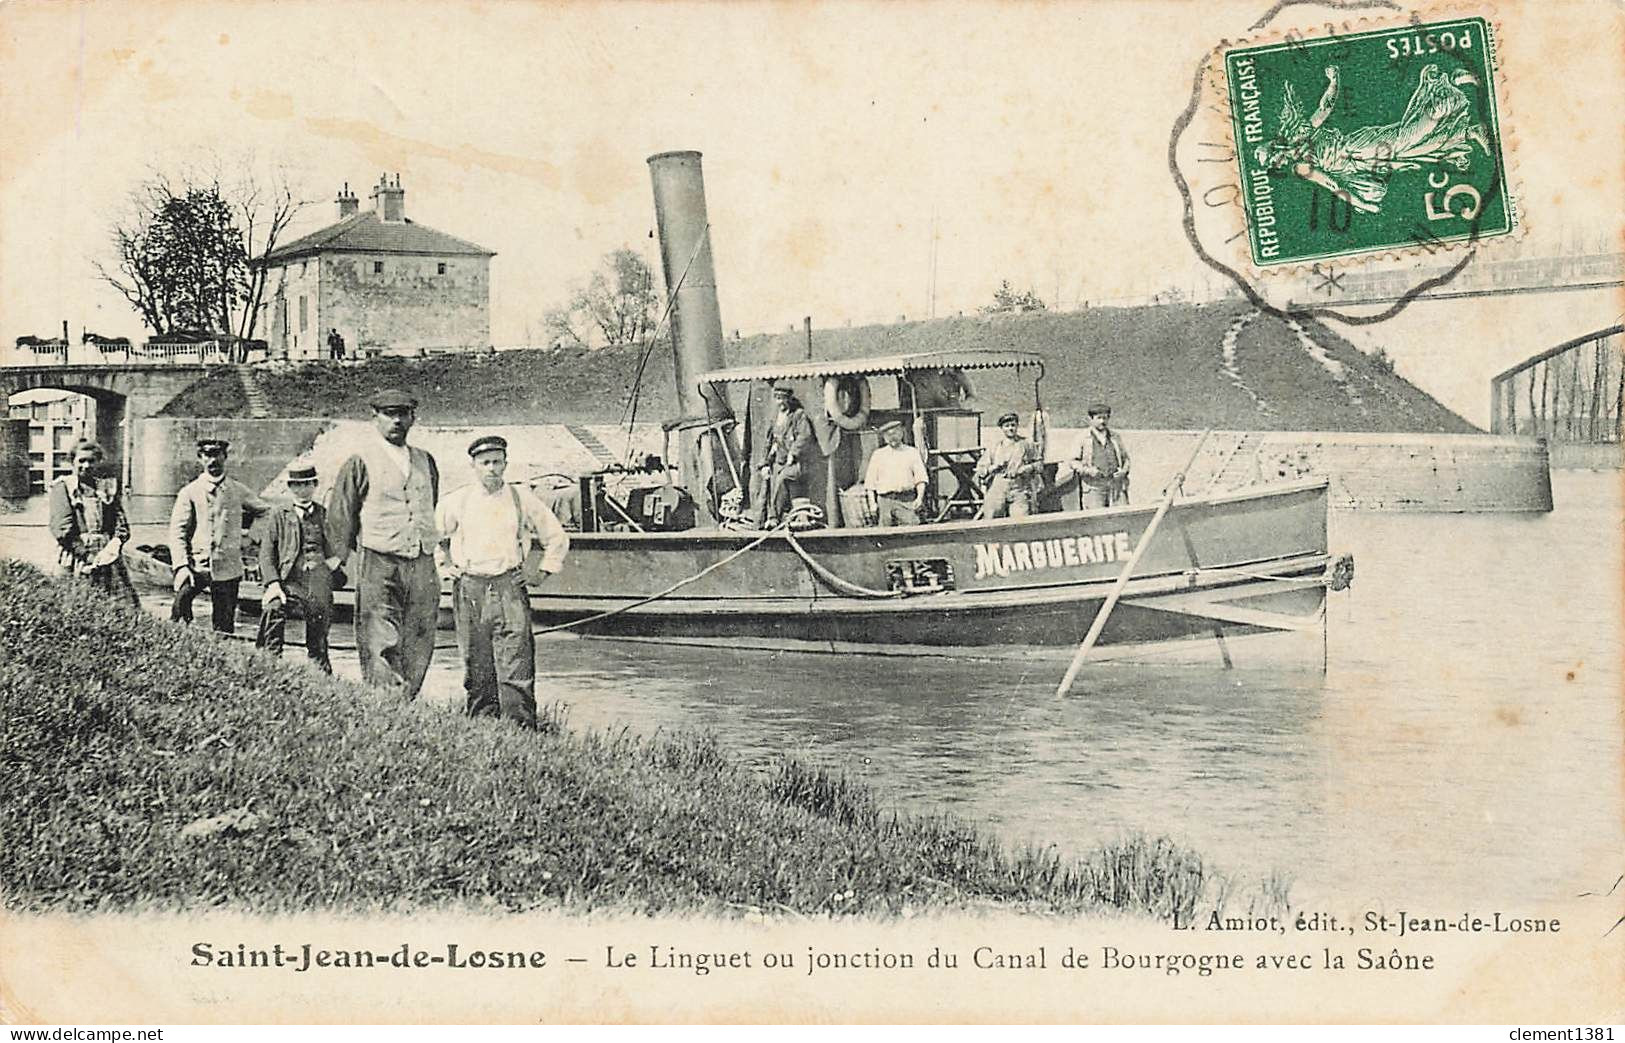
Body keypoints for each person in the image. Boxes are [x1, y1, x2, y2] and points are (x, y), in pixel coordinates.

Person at [435, 434, 569, 729]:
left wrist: (540, 574)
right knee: (476, 662)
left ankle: (520, 730)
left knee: (516, 661)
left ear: (506, 464)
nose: (492, 469)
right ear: (474, 466)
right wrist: (445, 567)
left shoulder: (522, 500)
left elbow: (556, 536)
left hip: (509, 586)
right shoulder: (456, 501)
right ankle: (481, 727)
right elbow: (434, 537)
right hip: (470, 588)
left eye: (497, 462)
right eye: (485, 463)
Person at [326, 388, 441, 699]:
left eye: (403, 414)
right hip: (379, 560)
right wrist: (341, 562)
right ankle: (385, 703)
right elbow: (341, 513)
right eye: (389, 414)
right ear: (374, 418)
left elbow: (430, 503)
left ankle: (406, 699)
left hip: (421, 560)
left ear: (413, 418)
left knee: (420, 633)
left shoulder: (425, 461)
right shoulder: (359, 461)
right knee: (380, 635)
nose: (397, 421)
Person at [169, 438, 270, 633]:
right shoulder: (189, 492)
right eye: (207, 455)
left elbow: (266, 512)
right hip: (196, 566)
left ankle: (222, 654)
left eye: (217, 455)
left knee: (224, 625)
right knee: (178, 612)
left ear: (225, 457)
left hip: (228, 567)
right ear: (200, 458)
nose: (213, 460)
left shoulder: (237, 490)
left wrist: (250, 538)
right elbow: (177, 532)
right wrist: (181, 565)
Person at [255, 460, 340, 673]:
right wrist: (273, 584)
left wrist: (330, 567)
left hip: (317, 586)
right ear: (290, 488)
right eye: (297, 485)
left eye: (307, 484)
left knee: (319, 639)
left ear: (315, 485)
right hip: (289, 584)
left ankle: (322, 677)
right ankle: (270, 666)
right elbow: (266, 554)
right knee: (273, 610)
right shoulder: (279, 515)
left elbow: (338, 547)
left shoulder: (324, 514)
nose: (302, 490)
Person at [46, 440, 139, 609]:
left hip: (107, 555)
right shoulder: (63, 488)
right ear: (72, 462)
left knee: (120, 605)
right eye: (81, 461)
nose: (86, 465)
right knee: (76, 604)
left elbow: (121, 524)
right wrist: (88, 556)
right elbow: (62, 530)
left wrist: (115, 544)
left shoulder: (106, 488)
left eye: (91, 460)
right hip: (76, 555)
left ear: (98, 462)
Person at [749, 383, 817, 528]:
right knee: (767, 485)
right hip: (778, 462)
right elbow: (769, 441)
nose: (780, 402)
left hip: (797, 464)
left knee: (782, 479)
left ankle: (774, 518)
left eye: (783, 398)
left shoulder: (798, 415)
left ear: (789, 398)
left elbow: (805, 436)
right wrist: (765, 464)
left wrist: (793, 452)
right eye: (777, 398)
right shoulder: (775, 418)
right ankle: (761, 521)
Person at [977, 412, 1043, 519]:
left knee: (1021, 520)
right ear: (1002, 428)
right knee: (991, 518)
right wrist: (992, 468)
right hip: (998, 487)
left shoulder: (1027, 444)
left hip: (1019, 488)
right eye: (1007, 426)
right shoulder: (995, 446)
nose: (1010, 428)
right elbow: (980, 469)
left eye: (1013, 425)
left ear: (1017, 426)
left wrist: (1027, 468)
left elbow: (1039, 464)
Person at [862, 419, 927, 526]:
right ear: (884, 437)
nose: (892, 437)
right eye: (888, 435)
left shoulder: (912, 452)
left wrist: (919, 498)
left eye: (895, 433)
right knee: (884, 536)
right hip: (884, 502)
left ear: (901, 433)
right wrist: (872, 504)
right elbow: (870, 483)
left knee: (911, 531)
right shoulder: (878, 455)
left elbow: (921, 479)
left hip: (906, 501)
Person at [1075, 403, 1131, 508]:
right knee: (1096, 519)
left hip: (1116, 486)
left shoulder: (1115, 437)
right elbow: (1073, 462)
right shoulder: (1083, 438)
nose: (1102, 421)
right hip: (1094, 487)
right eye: (1099, 418)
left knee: (1121, 516)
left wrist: (1123, 472)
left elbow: (1126, 459)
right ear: (1090, 419)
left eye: (1105, 418)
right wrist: (1089, 471)